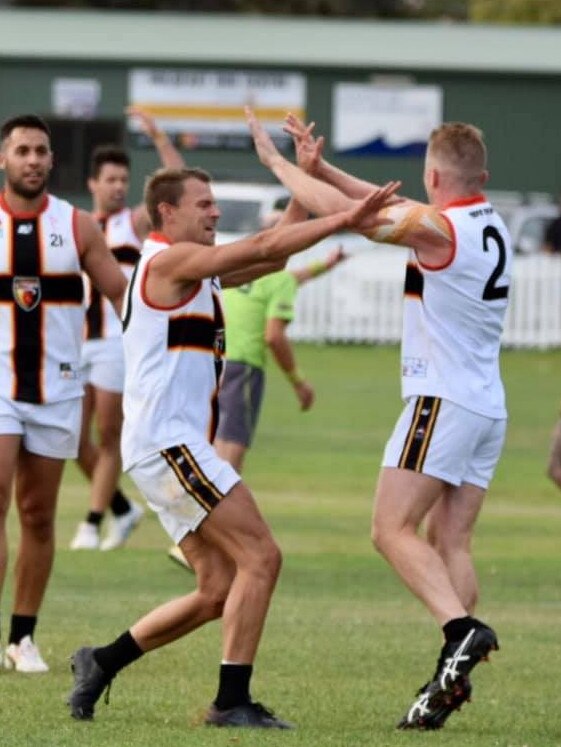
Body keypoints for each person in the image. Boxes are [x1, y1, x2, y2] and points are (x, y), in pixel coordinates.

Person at [67, 165, 399, 727]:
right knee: (262, 557)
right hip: (168, 446)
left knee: (218, 587)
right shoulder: (168, 262)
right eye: (204, 204)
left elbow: (271, 257)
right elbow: (267, 242)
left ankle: (100, 661)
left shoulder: (196, 271)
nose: (215, 212)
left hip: (166, 448)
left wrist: (301, 182)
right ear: (167, 213)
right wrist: (346, 217)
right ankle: (231, 702)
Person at [246, 108, 510, 729]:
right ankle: (447, 678)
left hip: (440, 401)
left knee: (390, 529)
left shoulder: (438, 231)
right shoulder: (478, 220)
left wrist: (280, 166)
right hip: (486, 407)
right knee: (452, 542)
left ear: (432, 175)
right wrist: (323, 167)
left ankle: (460, 633)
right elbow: (385, 204)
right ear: (480, 175)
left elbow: (362, 218)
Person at [0, 114, 127, 672]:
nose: (32, 159)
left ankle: (21, 637)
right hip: (0, 386)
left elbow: (126, 297)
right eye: (22, 150)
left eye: (40, 151)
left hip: (57, 390)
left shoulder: (77, 227)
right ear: (4, 159)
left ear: (52, 161)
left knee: (38, 515)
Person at [167, 242, 347, 567]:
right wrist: (298, 381)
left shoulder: (245, 272)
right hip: (244, 369)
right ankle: (194, 540)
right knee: (229, 458)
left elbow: (294, 276)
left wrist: (327, 264)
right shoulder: (280, 280)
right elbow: (274, 336)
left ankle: (195, 534)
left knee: (211, 450)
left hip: (212, 362)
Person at [70, 107, 185, 551]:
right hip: (75, 340)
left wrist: (158, 136)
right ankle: (122, 508)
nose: (118, 187)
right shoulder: (76, 224)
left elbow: (178, 178)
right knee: (72, 439)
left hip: (117, 342)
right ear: (93, 185)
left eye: (123, 180)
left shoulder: (133, 223)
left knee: (107, 433)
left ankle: (91, 521)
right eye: (110, 180)